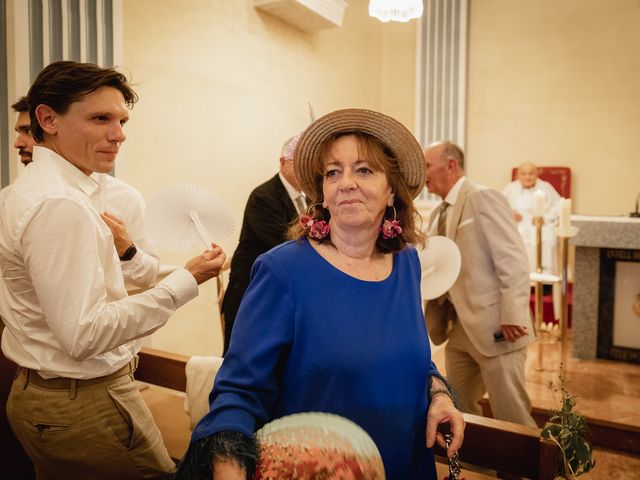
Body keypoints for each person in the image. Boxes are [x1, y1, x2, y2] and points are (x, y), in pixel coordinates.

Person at [177, 109, 465, 480]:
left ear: (392, 189)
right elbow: (237, 393)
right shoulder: (283, 271)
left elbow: (412, 360)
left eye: (363, 170)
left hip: (407, 464)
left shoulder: (406, 263)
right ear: (323, 195)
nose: (345, 183)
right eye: (333, 172)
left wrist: (440, 395)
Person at [0, 61, 226, 480]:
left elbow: (120, 279)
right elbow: (82, 335)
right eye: (101, 119)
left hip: (57, 392)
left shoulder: (68, 193)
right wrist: (185, 280)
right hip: (81, 399)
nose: (119, 134)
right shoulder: (59, 204)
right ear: (48, 119)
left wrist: (143, 258)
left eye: (121, 120)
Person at [423, 141, 536, 427]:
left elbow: (514, 261)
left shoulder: (483, 198)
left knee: (512, 414)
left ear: (450, 165)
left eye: (427, 165)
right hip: (459, 329)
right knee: (459, 408)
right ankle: (476, 467)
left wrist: (512, 314)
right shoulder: (438, 213)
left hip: (497, 325)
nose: (422, 173)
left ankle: (522, 470)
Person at [10, 95, 161, 290]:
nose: (18, 143)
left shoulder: (125, 198)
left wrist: (125, 247)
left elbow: (149, 276)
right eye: (21, 131)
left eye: (28, 131)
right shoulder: (10, 199)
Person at [220, 134, 306, 354]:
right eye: (301, 162)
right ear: (283, 162)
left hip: (283, 294)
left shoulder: (310, 198)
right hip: (252, 293)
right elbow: (288, 245)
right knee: (244, 359)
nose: (307, 169)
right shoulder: (264, 197)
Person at [502, 162, 561, 274]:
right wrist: (510, 214)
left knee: (547, 241)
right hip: (518, 225)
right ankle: (519, 278)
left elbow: (559, 205)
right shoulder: (510, 188)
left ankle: (545, 281)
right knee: (514, 242)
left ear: (536, 174)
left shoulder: (545, 186)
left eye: (531, 173)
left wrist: (545, 218)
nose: (528, 177)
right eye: (524, 174)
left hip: (542, 225)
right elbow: (499, 206)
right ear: (518, 175)